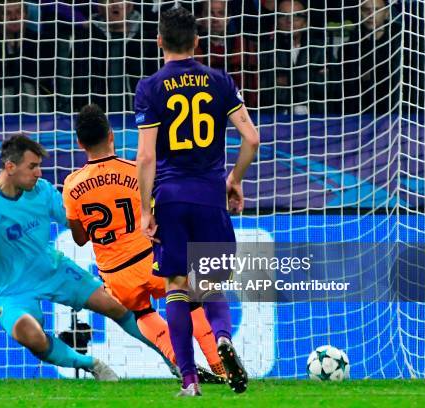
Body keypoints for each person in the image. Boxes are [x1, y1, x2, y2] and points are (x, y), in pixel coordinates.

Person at [0, 135, 162, 381]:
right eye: (32, 167)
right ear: (10, 167)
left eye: (39, 166)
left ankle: (175, 362)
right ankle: (92, 364)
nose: (39, 173)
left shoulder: (42, 192)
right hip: (9, 291)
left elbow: (77, 223)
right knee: (30, 335)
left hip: (52, 270)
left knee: (119, 306)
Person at [134, 7, 259, 396]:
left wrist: (144, 209)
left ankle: (190, 381)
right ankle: (222, 337)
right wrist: (233, 179)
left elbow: (146, 157)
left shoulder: (150, 87)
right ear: (197, 43)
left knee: (175, 285)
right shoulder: (220, 82)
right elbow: (252, 139)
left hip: (170, 198)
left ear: (159, 42)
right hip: (210, 196)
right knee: (209, 284)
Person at [62, 103, 227, 383]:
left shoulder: (71, 185)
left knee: (142, 313)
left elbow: (79, 239)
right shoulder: (134, 172)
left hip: (116, 274)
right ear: (111, 135)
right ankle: (219, 363)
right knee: (191, 302)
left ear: (80, 144)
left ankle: (179, 362)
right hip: (149, 258)